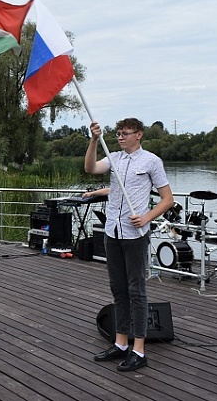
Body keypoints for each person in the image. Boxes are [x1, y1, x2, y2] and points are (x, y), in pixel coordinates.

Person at [84, 118, 173, 372]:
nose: (120, 137)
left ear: (139, 135)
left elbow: (167, 199)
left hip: (135, 235)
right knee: (118, 290)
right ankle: (121, 343)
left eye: (125, 133)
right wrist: (93, 140)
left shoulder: (152, 161)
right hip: (112, 232)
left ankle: (139, 350)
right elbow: (90, 168)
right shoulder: (114, 158)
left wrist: (146, 217)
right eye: (118, 134)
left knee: (137, 291)